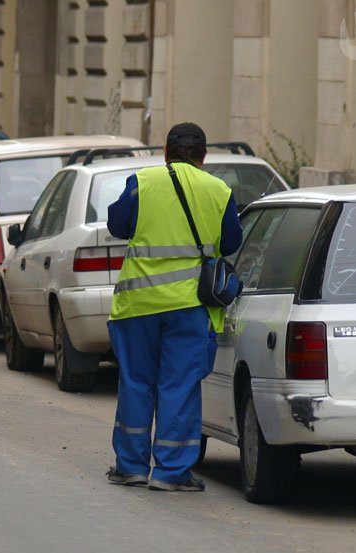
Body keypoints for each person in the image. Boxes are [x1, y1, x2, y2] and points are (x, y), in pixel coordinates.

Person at [105, 122, 243, 492]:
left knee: (136, 383)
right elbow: (231, 242)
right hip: (190, 307)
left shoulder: (143, 182)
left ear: (164, 153)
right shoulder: (219, 191)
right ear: (203, 157)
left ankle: (131, 466)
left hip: (138, 306)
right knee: (179, 386)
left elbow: (117, 226)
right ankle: (170, 473)